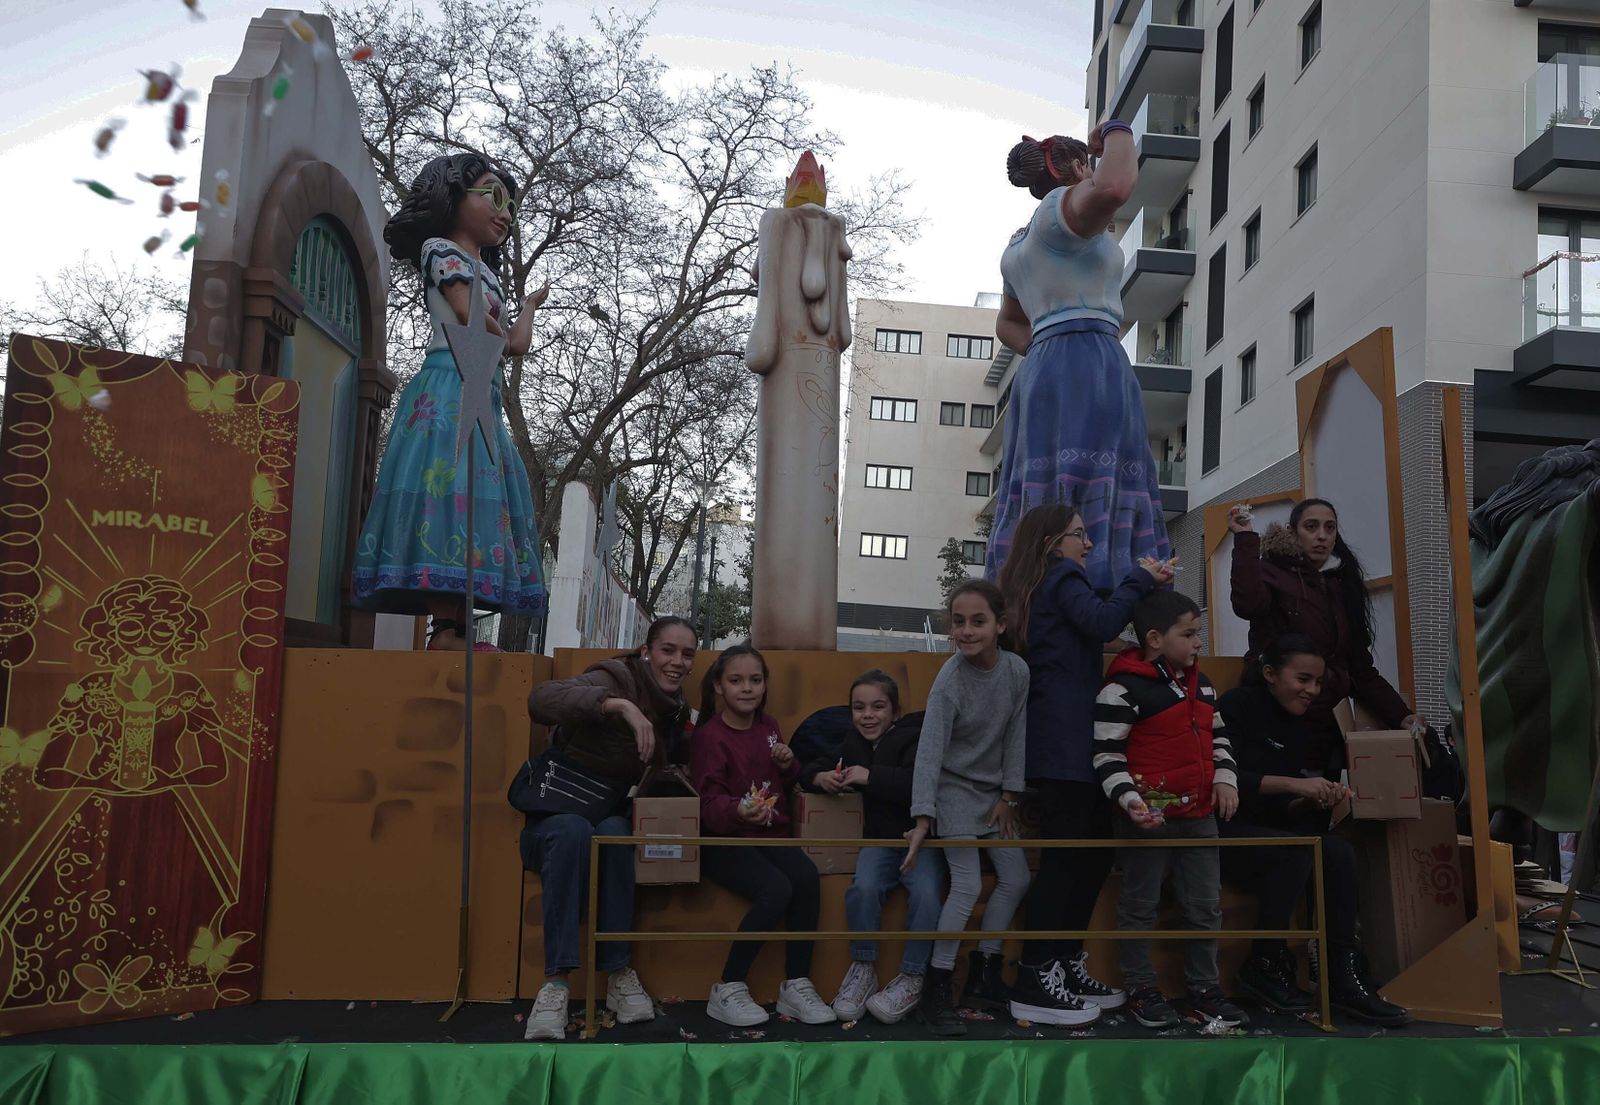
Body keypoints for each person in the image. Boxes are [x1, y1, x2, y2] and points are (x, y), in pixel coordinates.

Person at [350, 152, 549, 650]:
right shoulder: (441, 251)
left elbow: (513, 343)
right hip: (450, 384)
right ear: (455, 195)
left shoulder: (488, 273)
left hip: (483, 387)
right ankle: (447, 631)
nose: (504, 213)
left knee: (478, 501)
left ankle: (457, 627)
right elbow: (467, 316)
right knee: (447, 493)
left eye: (511, 205)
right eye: (493, 197)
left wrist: (526, 308)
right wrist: (501, 327)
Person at [996, 503, 1172, 1024]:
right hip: (1067, 744)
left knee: (1090, 855)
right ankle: (1037, 975)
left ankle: (1065, 965)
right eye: (1078, 534)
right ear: (1052, 541)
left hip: (1065, 743)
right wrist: (1138, 578)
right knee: (1069, 859)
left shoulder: (1041, 585)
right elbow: (1099, 617)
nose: (1087, 543)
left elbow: (1089, 628)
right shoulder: (1063, 574)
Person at [985, 126, 1171, 592]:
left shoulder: (1018, 243)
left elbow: (1007, 325)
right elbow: (1115, 186)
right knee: (1099, 471)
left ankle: (1034, 592)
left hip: (1045, 364)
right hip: (1089, 357)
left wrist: (1048, 347)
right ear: (1076, 168)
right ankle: (1102, 597)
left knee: (1049, 483)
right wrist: (1116, 131)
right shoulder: (1059, 213)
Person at [519, 616, 697, 1040]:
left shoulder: (677, 711)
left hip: (608, 816)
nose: (677, 662)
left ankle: (618, 974)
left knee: (617, 835)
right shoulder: (613, 675)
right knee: (574, 832)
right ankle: (556, 983)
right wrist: (620, 707)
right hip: (555, 816)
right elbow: (541, 698)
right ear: (646, 652)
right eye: (667, 650)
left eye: (687, 654)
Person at [1219, 634, 1411, 1026]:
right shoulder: (1235, 707)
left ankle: (1340, 970)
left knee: (1336, 851)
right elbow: (1226, 781)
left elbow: (1280, 810)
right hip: (1222, 831)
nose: (1312, 691)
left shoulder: (1299, 725)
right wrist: (1295, 786)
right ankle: (1264, 964)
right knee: (1295, 850)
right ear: (1270, 674)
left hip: (1270, 834)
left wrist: (1312, 799)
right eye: (1303, 679)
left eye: (1319, 682)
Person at [1093, 590, 1249, 1030]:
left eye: (1198, 633)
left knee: (1204, 907)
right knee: (1139, 907)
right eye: (1190, 633)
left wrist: (1225, 778)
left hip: (1200, 816)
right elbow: (1106, 756)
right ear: (1156, 638)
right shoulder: (1120, 689)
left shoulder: (1204, 684)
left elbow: (1220, 738)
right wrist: (1131, 801)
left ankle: (1203, 990)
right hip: (1146, 819)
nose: (1199, 642)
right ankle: (1142, 990)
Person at [903, 580, 1034, 1035]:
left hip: (995, 794)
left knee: (1016, 877)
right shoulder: (950, 679)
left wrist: (1009, 797)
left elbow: (1016, 735)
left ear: (1001, 624)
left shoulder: (1017, 671)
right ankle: (936, 987)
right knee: (967, 883)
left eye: (978, 621)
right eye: (958, 622)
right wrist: (923, 816)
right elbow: (930, 750)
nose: (966, 630)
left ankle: (985, 971)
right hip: (953, 791)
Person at [689, 644, 835, 1028]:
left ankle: (796, 984)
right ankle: (729, 985)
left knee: (805, 876)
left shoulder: (768, 727)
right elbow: (705, 803)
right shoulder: (709, 737)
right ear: (719, 687)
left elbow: (783, 780)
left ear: (765, 685)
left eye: (755, 680)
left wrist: (789, 765)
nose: (747, 688)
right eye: (736, 680)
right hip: (725, 840)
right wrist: (736, 808)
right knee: (776, 888)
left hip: (771, 833)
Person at [1229, 498, 1423, 775]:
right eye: (1311, 526)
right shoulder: (1271, 572)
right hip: (1275, 719)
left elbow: (1358, 667)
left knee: (1322, 803)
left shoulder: (1340, 585)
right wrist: (1245, 538)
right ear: (1292, 531)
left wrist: (1401, 715)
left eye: (1330, 528)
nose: (1322, 535)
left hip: (1328, 724)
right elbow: (1247, 605)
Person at [800, 670, 945, 1025]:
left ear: (895, 712)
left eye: (878, 707)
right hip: (879, 843)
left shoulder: (913, 738)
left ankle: (912, 976)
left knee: (927, 894)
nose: (868, 715)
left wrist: (871, 776)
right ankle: (863, 967)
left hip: (922, 841)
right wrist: (822, 778)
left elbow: (921, 782)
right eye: (859, 707)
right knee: (862, 889)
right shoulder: (852, 742)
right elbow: (815, 766)